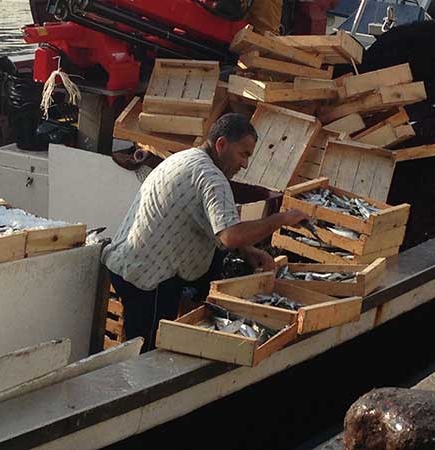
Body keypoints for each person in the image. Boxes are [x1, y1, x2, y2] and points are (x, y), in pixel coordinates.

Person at [102, 113, 309, 351]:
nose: (245, 164)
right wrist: (281, 218)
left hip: (126, 264)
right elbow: (230, 236)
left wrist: (247, 250)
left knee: (138, 341)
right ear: (221, 145)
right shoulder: (213, 178)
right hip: (149, 278)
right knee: (147, 354)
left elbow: (209, 221)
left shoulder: (185, 158)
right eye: (243, 154)